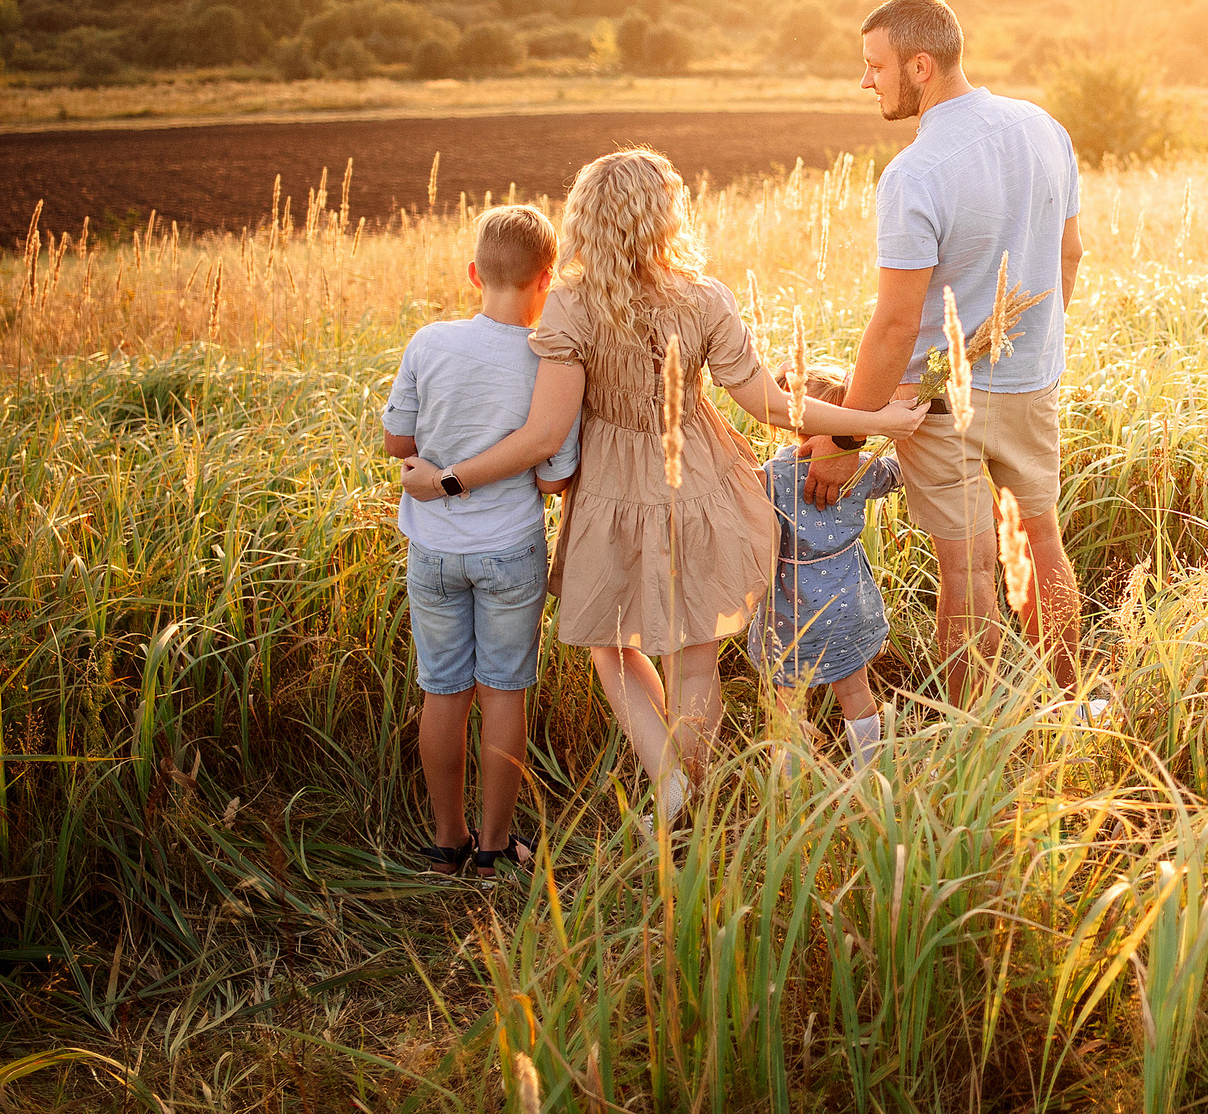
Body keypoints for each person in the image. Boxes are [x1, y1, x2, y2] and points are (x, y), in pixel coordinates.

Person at [399, 149, 924, 828]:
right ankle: (687, 796)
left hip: (612, 488)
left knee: (610, 646)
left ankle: (671, 778)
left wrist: (448, 480)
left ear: (586, 219)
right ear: (665, 217)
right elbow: (768, 404)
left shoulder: (571, 303)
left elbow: (547, 430)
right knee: (694, 653)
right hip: (702, 479)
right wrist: (872, 419)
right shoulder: (703, 297)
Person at [800, 0, 1086, 703]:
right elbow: (1070, 255)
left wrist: (843, 439)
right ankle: (1075, 700)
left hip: (936, 397)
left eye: (875, 66)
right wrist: (1032, 352)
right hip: (1032, 380)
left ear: (919, 65)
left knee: (969, 571)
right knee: (1041, 540)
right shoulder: (1045, 128)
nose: (865, 81)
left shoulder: (915, 173)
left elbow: (896, 327)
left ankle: (971, 735)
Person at [380, 203, 581, 878]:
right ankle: (495, 849)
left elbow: (396, 442)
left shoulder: (429, 341)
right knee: (503, 693)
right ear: (546, 279)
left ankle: (447, 840)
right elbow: (555, 476)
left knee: (444, 692)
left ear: (473, 272)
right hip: (509, 549)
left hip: (433, 550)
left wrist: (436, 463)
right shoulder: (546, 358)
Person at [756, 366, 902, 767]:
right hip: (846, 596)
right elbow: (896, 474)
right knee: (854, 688)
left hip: (789, 603)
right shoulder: (860, 467)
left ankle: (787, 787)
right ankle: (869, 771)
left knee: (786, 696)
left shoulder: (773, 474)